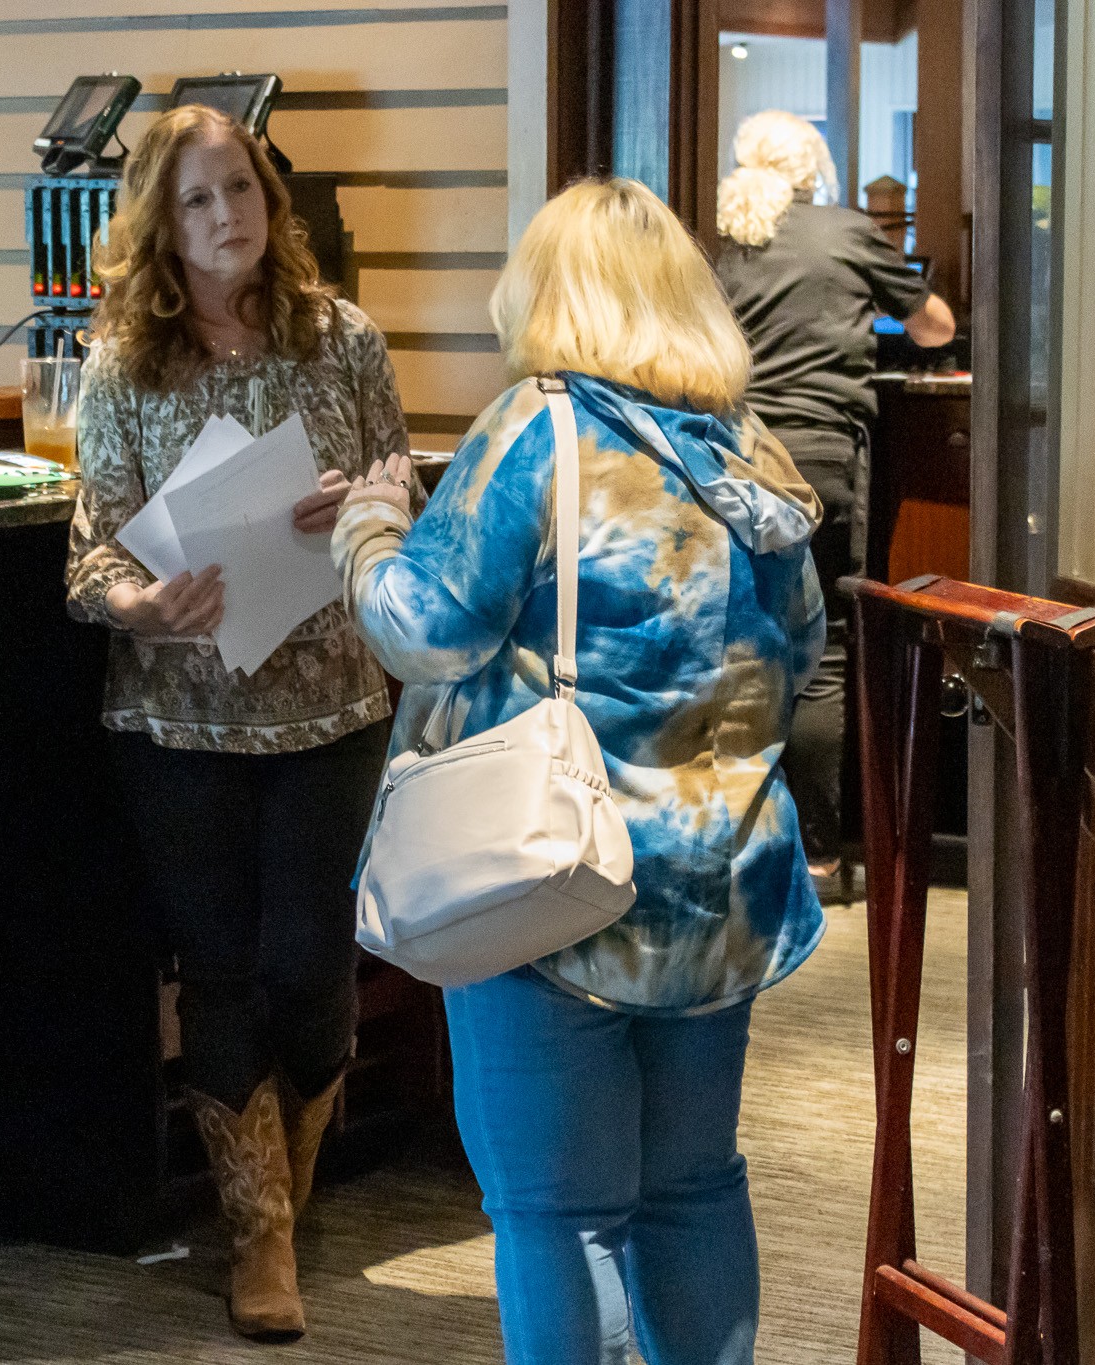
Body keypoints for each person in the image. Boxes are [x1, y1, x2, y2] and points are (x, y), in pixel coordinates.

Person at [332, 178, 826, 1365]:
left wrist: (365, 531)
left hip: (556, 886)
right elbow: (796, 651)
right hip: (723, 890)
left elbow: (426, 627)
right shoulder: (749, 451)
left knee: (560, 1217)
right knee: (694, 1189)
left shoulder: (535, 429)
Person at [64, 103, 411, 1342]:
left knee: (310, 970)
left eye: (242, 191)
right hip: (177, 717)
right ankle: (258, 1235)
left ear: (273, 202)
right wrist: (139, 604)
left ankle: (290, 1195)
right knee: (216, 973)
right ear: (161, 223)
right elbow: (87, 551)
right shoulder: (122, 364)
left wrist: (362, 508)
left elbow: (398, 482)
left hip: (329, 700)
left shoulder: (341, 339)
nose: (227, 217)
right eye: (199, 199)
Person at [713, 109, 956, 893]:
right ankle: (818, 853)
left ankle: (738, 841)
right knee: (822, 657)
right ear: (814, 166)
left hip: (736, 457)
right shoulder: (845, 230)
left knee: (746, 644)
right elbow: (932, 328)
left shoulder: (730, 240)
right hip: (819, 460)